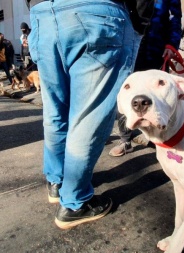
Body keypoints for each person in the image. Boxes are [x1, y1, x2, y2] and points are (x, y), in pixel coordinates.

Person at [26, 0, 141, 229]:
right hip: (96, 14)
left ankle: (57, 183)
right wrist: (139, 22)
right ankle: (74, 204)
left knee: (55, 111)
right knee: (88, 117)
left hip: (43, 15)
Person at [109, 0, 182, 157]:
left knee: (158, 96)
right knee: (127, 92)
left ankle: (159, 139)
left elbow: (175, 18)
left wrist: (172, 45)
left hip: (157, 50)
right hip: (129, 47)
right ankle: (125, 140)